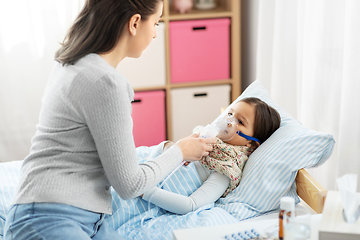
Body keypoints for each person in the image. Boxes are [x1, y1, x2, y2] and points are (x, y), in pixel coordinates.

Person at [3, 1, 215, 240]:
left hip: (80, 217)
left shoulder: (72, 63)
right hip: (48, 216)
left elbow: (113, 156)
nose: (156, 33)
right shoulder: (106, 83)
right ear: (135, 23)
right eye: (155, 23)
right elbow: (129, 185)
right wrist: (180, 151)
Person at [141, 97, 281, 214]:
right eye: (230, 114)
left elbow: (190, 205)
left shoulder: (226, 168)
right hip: (143, 179)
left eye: (240, 121)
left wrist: (145, 191)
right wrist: (175, 148)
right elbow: (155, 157)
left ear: (251, 143)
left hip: (143, 201)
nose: (229, 120)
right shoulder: (199, 140)